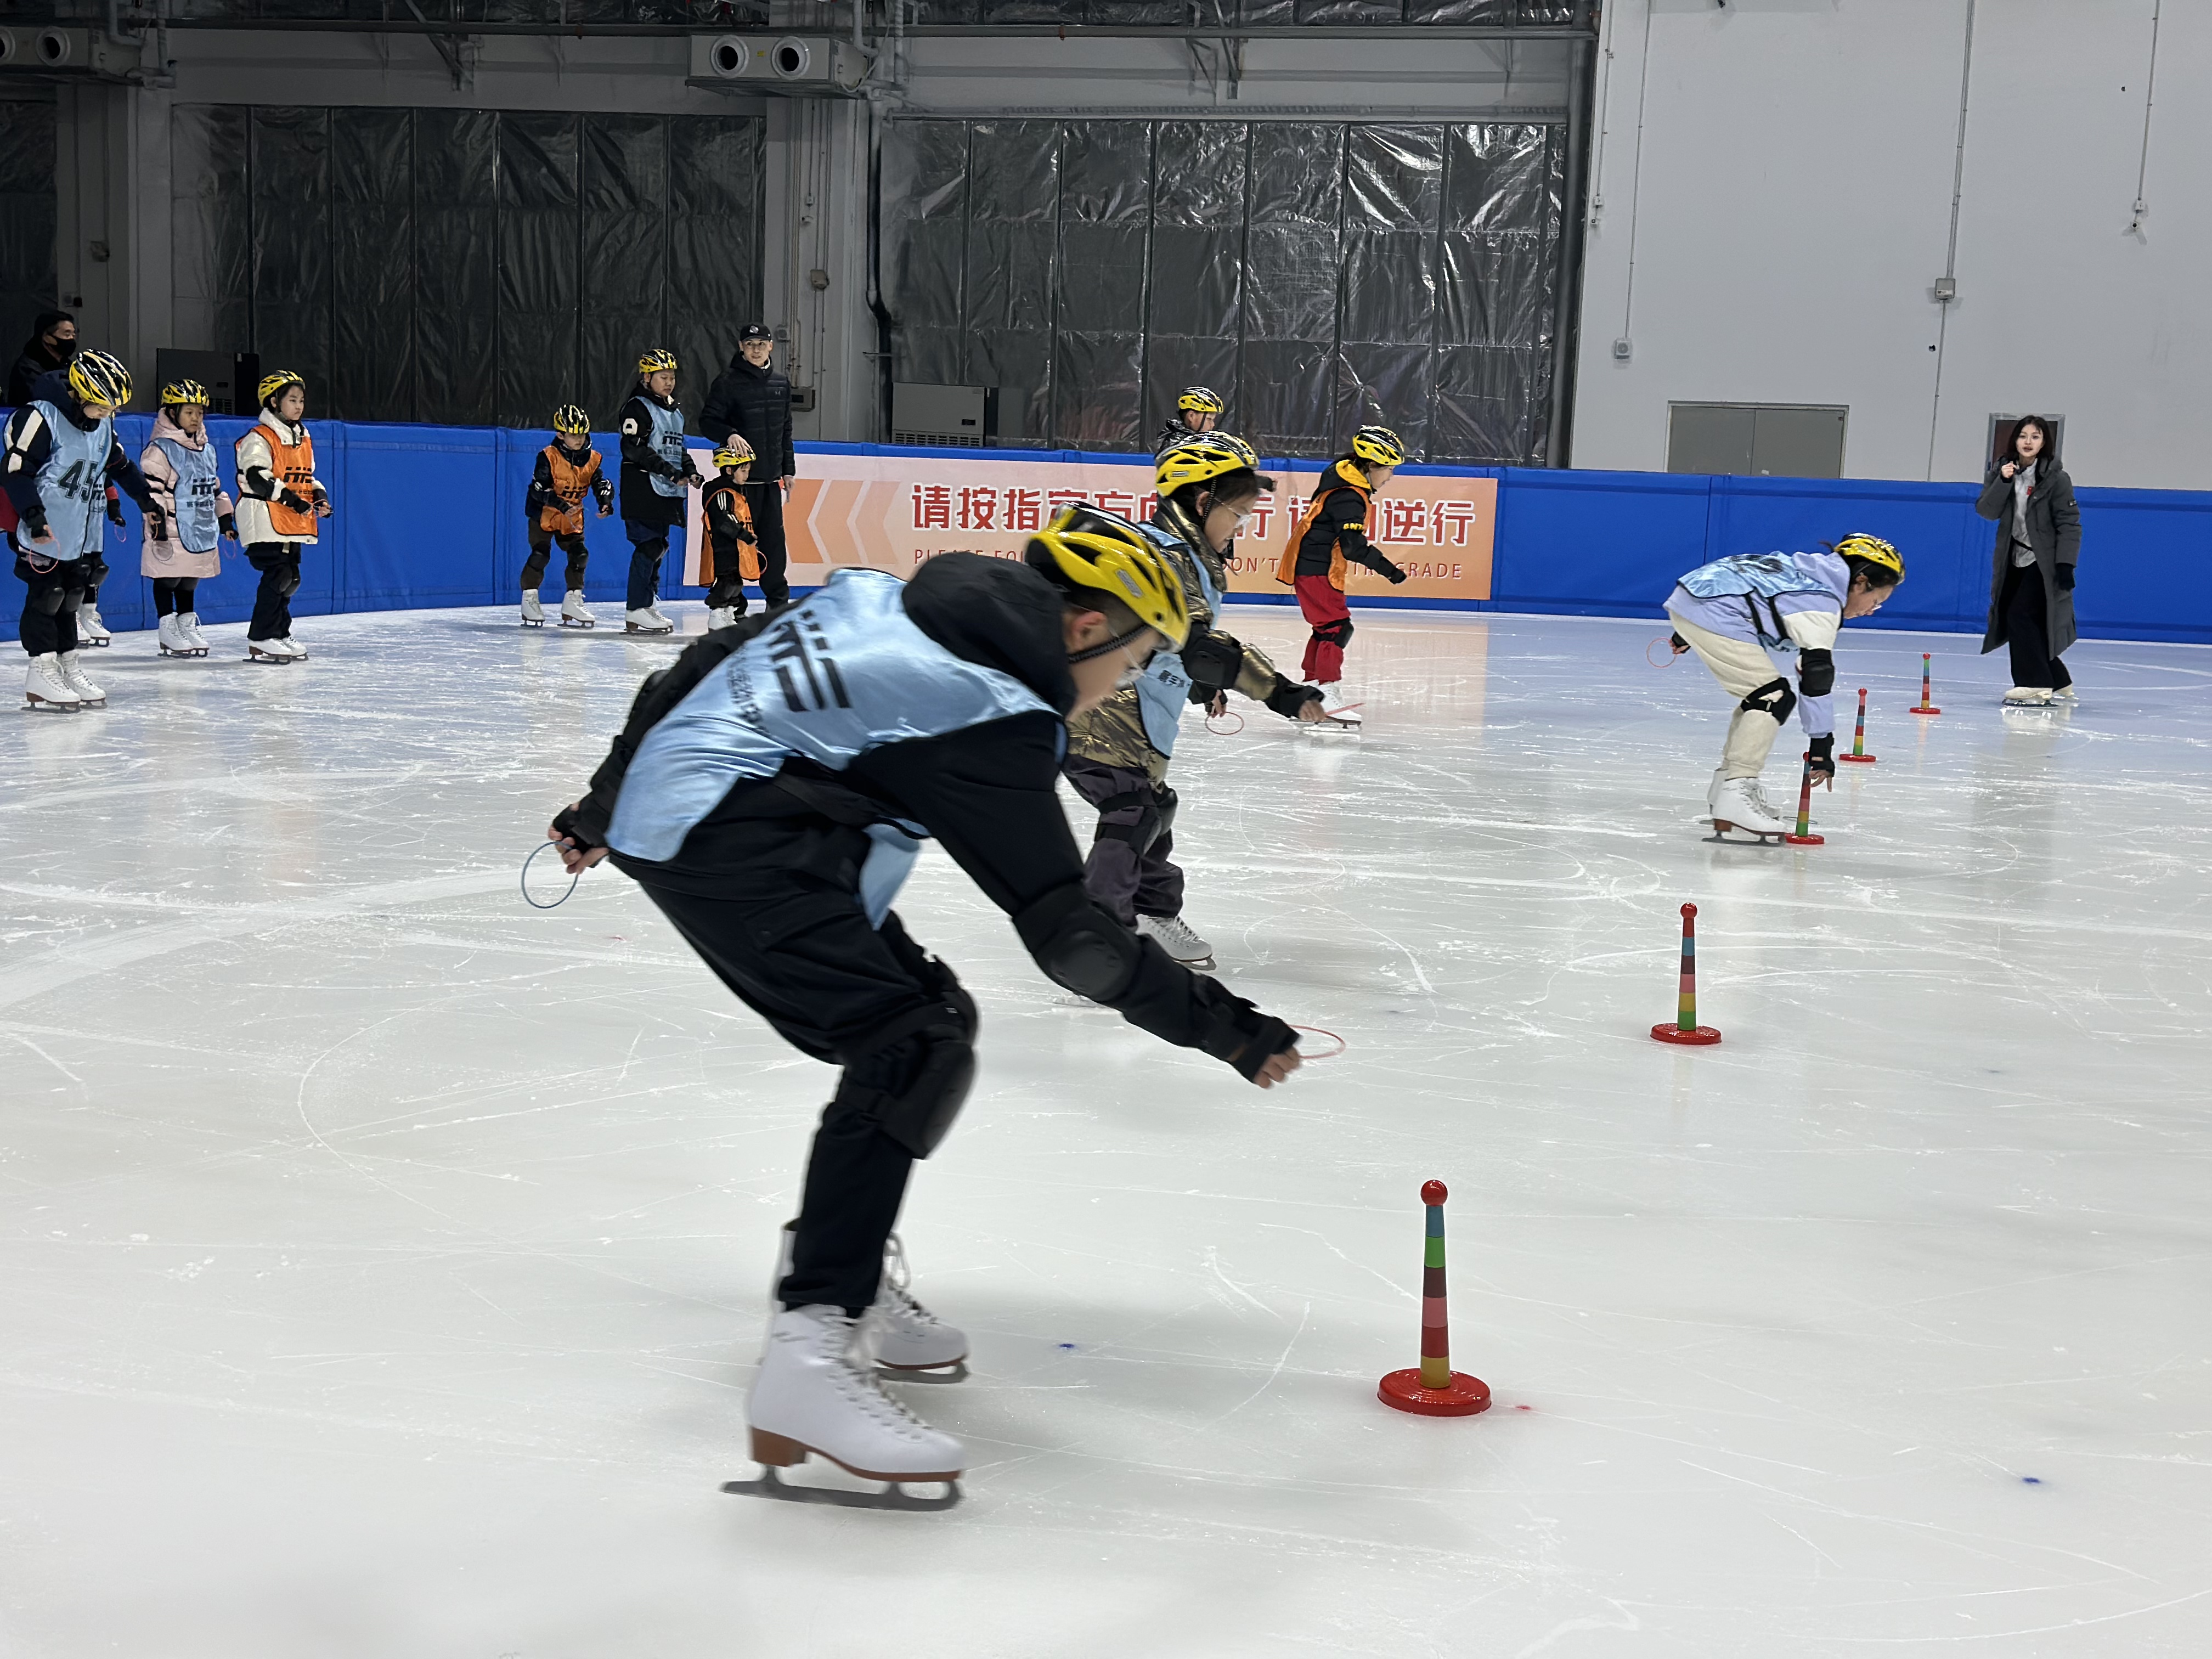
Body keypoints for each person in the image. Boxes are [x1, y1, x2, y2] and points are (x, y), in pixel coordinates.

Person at [543, 510, 1304, 1487]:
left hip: (737, 811)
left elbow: (692, 669)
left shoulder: (896, 602)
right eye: (1134, 660)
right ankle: (808, 1353)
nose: (1124, 684)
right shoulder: (990, 710)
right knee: (907, 1045)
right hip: (724, 834)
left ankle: (843, 1263)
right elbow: (1073, 940)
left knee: (932, 1021)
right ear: (1086, 627)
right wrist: (1231, 1030)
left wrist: (601, 806)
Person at [1063, 433, 1327, 968]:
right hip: (1104, 716)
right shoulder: (1169, 557)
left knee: (1152, 809)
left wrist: (1204, 687)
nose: (1241, 528)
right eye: (1239, 514)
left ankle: (1152, 912)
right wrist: (1281, 693)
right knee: (1133, 813)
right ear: (1204, 501)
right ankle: (1094, 943)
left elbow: (1175, 641)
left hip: (1133, 719)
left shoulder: (1185, 556)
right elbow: (1200, 647)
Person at [1663, 534, 1905, 839]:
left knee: (1760, 695)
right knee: (1772, 697)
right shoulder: (1822, 601)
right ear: (1860, 582)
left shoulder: (1806, 572)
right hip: (1712, 611)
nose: (1871, 611)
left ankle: (1726, 788)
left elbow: (1742, 581)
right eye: (1876, 601)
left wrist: (1687, 629)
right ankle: (1736, 790)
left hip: (1699, 602)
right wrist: (1821, 744)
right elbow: (1816, 675)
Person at [3, 348, 162, 710]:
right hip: (39, 528)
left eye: (112, 408)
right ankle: (41, 670)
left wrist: (146, 501)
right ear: (78, 393)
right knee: (48, 595)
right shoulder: (40, 417)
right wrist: (34, 517)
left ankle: (67, 664)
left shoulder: (101, 425)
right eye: (101, 406)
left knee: (73, 594)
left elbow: (121, 466)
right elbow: (15, 470)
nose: (107, 414)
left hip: (75, 531)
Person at [1274, 424, 1410, 721]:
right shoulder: (1349, 495)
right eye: (1389, 469)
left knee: (1326, 629)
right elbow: (1352, 546)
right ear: (1372, 466)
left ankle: (1311, 691)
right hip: (1318, 568)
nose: (1390, 476)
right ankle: (1326, 692)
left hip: (1312, 566)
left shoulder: (1341, 480)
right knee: (1337, 628)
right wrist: (1390, 571)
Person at [1975, 415, 2082, 707]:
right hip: (2013, 557)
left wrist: (2066, 564)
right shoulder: (2002, 471)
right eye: (2023, 436)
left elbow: (2069, 524)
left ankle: (2034, 683)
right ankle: (2057, 679)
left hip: (2044, 560)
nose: (2028, 442)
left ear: (2044, 443)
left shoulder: (2056, 479)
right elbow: (1987, 511)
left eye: (2035, 437)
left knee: (2021, 615)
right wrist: (2003, 481)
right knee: (2022, 618)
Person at [233, 370, 331, 664]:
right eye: (292, 400)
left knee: (291, 578)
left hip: (290, 518)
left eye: (301, 400)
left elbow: (307, 477)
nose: (299, 406)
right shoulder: (259, 437)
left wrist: (319, 498)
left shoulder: (303, 437)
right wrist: (292, 500)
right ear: (274, 402)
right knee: (279, 574)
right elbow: (257, 476)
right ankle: (261, 637)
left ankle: (279, 632)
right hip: (263, 514)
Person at [699, 324, 795, 613]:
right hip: (737, 484)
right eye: (750, 344)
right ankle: (733, 608)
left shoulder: (781, 383)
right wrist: (729, 433)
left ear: (771, 347)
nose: (756, 349)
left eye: (761, 344)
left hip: (769, 482)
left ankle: (777, 609)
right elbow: (707, 422)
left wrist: (788, 469)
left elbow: (785, 430)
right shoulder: (727, 382)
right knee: (734, 545)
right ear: (741, 347)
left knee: (774, 546)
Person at [139, 377, 238, 659]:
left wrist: (225, 520)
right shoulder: (160, 449)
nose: (196, 418)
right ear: (173, 413)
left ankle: (186, 622)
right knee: (168, 578)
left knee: (190, 577)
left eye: (200, 412)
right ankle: (167, 626)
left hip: (200, 525)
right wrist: (157, 523)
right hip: (171, 527)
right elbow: (152, 490)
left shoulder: (207, 450)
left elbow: (214, 488)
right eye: (189, 412)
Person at [617, 347, 704, 635]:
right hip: (643, 487)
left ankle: (647, 603)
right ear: (647, 378)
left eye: (672, 377)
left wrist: (690, 471)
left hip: (666, 490)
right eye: (662, 377)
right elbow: (634, 449)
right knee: (649, 545)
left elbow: (679, 449)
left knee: (660, 546)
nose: (669, 382)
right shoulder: (637, 408)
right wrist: (670, 472)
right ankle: (637, 608)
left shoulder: (674, 412)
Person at [522, 403, 613, 629]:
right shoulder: (548, 457)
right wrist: (562, 506)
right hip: (545, 512)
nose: (579, 439)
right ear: (560, 435)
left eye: (582, 434)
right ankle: (530, 599)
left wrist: (605, 501)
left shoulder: (593, 458)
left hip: (571, 516)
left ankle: (573, 599)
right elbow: (538, 490)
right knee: (540, 554)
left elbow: (600, 482)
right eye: (573, 435)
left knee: (579, 555)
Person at [701, 438, 764, 629]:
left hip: (736, 549)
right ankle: (717, 614)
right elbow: (724, 519)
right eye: (743, 471)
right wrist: (744, 535)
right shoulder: (722, 492)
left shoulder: (737, 492)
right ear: (729, 470)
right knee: (727, 581)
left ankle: (728, 612)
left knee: (736, 583)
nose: (747, 475)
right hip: (724, 548)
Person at [7, 309, 75, 408]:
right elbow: (46, 402)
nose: (72, 339)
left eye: (73, 335)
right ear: (47, 337)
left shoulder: (67, 364)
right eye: (67, 335)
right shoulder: (28, 369)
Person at [1154, 385, 1225, 453]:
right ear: (1191, 416)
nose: (1213, 425)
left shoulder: (1193, 440)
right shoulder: (1174, 443)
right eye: (1209, 419)